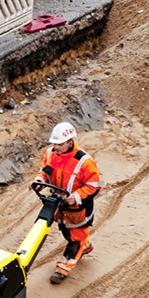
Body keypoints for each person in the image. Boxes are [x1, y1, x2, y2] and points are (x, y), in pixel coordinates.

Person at [37, 120, 100, 283]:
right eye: (54, 143)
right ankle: (84, 246)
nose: (55, 147)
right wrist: (38, 180)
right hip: (60, 205)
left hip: (78, 208)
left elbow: (93, 185)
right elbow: (45, 171)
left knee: (75, 238)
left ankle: (63, 268)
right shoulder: (50, 153)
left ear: (70, 142)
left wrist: (77, 196)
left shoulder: (85, 161)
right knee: (66, 231)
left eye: (59, 144)